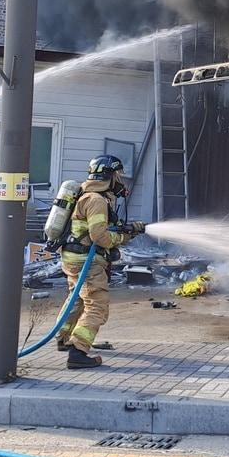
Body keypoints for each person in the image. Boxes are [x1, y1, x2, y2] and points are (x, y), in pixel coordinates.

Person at [55, 154, 145, 369]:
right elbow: (100, 237)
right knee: (96, 305)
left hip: (73, 256)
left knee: (77, 298)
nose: (119, 180)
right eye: (118, 175)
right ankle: (78, 351)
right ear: (109, 176)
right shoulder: (95, 200)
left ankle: (64, 337)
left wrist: (125, 229)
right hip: (87, 260)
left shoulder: (84, 195)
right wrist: (125, 237)